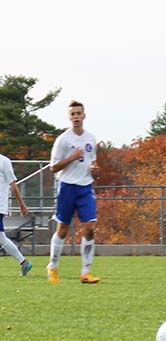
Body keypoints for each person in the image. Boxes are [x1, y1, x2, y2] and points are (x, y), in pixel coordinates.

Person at [47, 99, 100, 284]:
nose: (76, 117)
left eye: (79, 113)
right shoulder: (63, 140)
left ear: (84, 115)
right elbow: (53, 168)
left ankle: (86, 272)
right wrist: (72, 157)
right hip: (67, 186)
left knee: (90, 227)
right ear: (69, 117)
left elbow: (92, 162)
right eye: (73, 114)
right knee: (63, 229)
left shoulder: (91, 138)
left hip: (85, 187)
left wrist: (94, 169)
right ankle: (53, 266)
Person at [0, 154, 33, 276]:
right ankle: (24, 263)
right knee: (2, 239)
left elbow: (13, 185)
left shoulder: (4, 161)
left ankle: (23, 262)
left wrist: (22, 205)